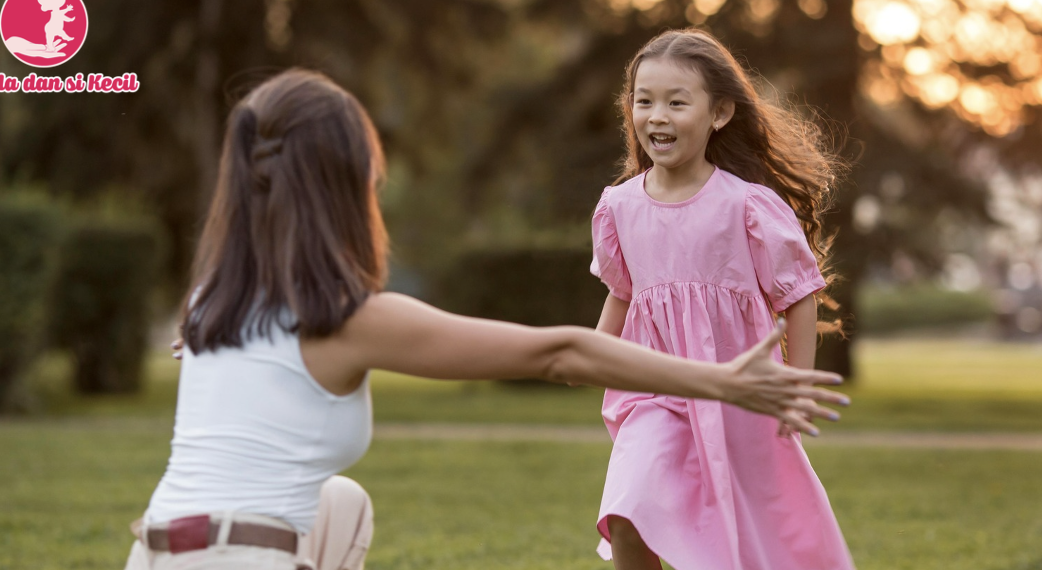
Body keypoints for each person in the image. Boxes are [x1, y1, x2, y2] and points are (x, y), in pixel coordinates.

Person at [124, 68, 849, 570]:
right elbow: (558, 353)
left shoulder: (210, 303)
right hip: (239, 558)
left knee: (339, 502)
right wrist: (724, 381)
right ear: (343, 185)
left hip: (155, 550)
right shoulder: (346, 319)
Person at [589, 29, 856, 570]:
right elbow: (623, 292)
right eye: (644, 101)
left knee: (744, 537)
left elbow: (799, 295)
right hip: (653, 392)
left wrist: (794, 387)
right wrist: (589, 353)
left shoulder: (749, 206)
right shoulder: (618, 207)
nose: (656, 116)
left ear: (720, 114)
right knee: (627, 513)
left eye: (676, 102)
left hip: (739, 396)